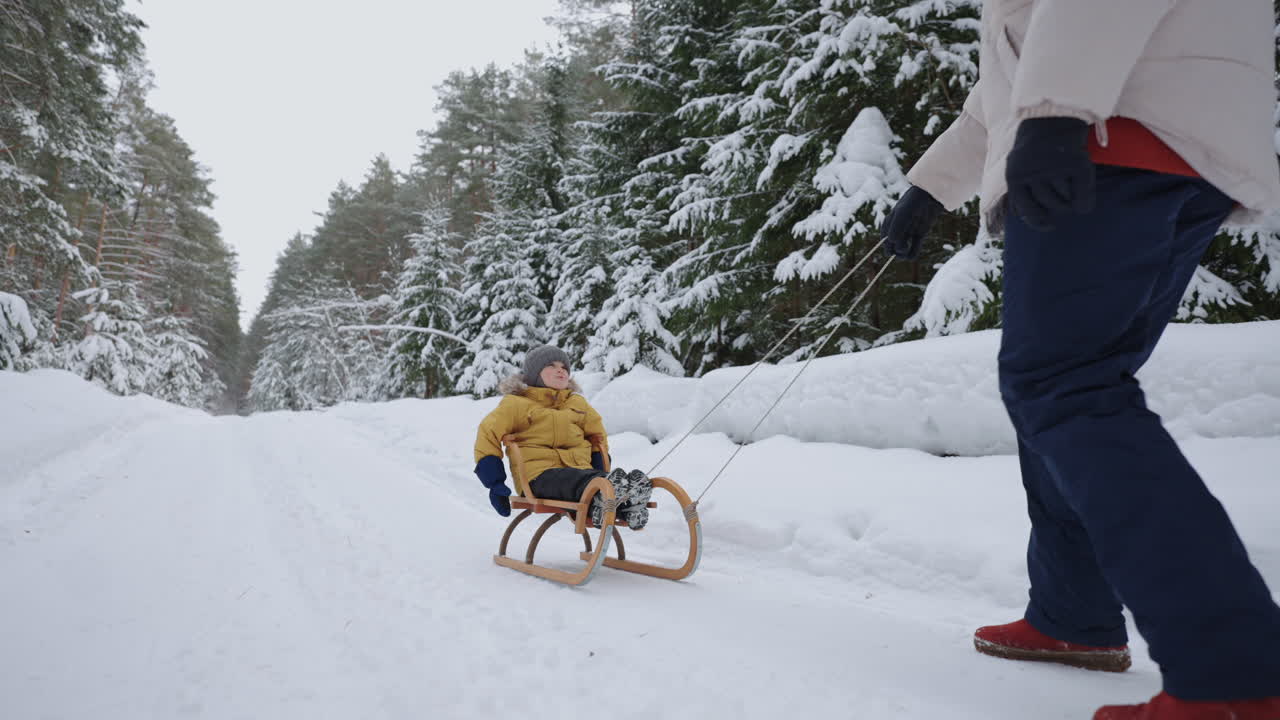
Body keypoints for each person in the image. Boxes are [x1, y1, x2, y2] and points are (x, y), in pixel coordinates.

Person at [879, 1, 1280, 718]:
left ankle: (1231, 671)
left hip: (1115, 126)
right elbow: (1010, 72)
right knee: (1071, 385)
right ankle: (1073, 612)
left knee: (1063, 384)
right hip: (1161, 134)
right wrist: (930, 185)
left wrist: (1058, 112)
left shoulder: (1074, 90)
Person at [473, 345, 652, 530]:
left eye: (564, 367)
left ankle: (628, 506)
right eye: (551, 365)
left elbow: (597, 437)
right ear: (534, 374)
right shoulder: (516, 404)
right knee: (577, 481)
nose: (560, 370)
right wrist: (495, 483)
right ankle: (603, 492)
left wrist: (601, 471)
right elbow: (488, 435)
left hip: (582, 472)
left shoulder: (577, 403)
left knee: (585, 480)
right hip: (538, 477)